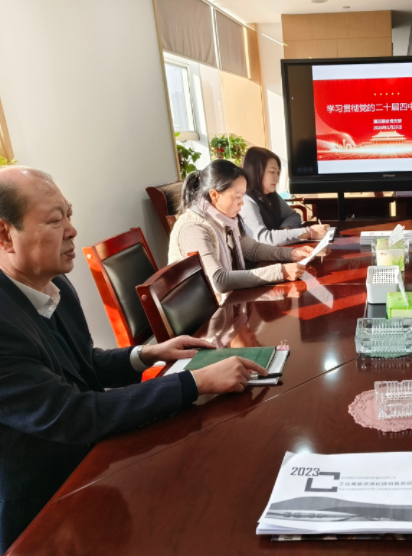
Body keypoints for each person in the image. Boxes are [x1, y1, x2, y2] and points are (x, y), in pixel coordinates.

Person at [0, 166, 268, 552]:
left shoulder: (55, 282)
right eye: (56, 220)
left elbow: (81, 365)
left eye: (69, 215)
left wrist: (145, 354)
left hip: (97, 466)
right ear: (5, 235)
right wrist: (195, 382)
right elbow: (71, 413)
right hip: (44, 506)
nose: (72, 230)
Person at [169, 159, 313, 299]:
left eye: (243, 196)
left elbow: (252, 249)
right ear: (214, 195)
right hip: (208, 311)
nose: (242, 203)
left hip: (230, 301)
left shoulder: (226, 219)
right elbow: (219, 280)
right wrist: (279, 272)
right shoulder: (194, 227)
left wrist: (292, 253)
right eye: (238, 196)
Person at [240, 147, 328, 245]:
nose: (277, 179)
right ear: (255, 172)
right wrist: (310, 232)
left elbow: (293, 216)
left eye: (278, 173)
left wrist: (284, 231)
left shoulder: (271, 195)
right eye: (272, 172)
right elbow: (263, 238)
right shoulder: (245, 200)